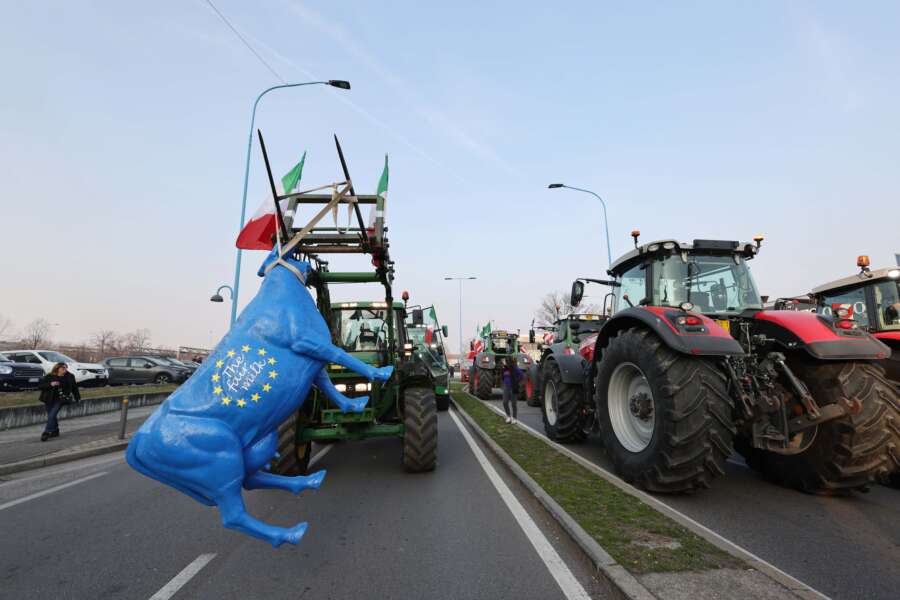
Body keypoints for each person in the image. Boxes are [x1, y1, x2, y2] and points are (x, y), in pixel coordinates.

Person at [38, 362, 80, 441]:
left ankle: (46, 432)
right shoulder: (49, 376)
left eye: (66, 368)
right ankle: (55, 431)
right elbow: (40, 386)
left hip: (61, 399)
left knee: (52, 415)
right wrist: (51, 384)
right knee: (51, 415)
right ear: (57, 369)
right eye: (63, 368)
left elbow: (74, 388)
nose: (65, 369)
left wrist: (77, 397)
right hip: (49, 398)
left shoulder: (70, 376)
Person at [501, 357, 522, 425]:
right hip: (506, 387)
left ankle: (514, 418)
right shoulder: (505, 369)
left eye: (505, 361)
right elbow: (503, 377)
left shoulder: (514, 368)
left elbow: (522, 376)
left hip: (513, 387)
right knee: (504, 402)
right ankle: (508, 416)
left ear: (509, 362)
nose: (504, 362)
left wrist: (517, 382)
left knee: (513, 404)